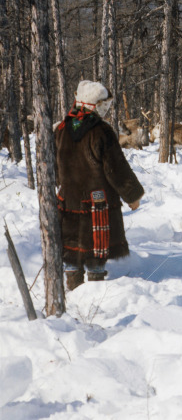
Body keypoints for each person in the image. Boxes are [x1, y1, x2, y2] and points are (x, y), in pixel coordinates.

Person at [55, 81, 144, 290]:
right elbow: (116, 168)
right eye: (105, 103)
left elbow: (54, 167)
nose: (108, 108)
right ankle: (93, 295)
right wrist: (132, 195)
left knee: (72, 251)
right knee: (96, 253)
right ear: (95, 104)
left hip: (69, 200)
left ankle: (74, 291)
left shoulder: (61, 128)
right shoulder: (101, 131)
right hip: (98, 203)